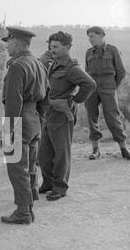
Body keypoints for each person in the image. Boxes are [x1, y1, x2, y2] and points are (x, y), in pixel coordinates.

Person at [39, 31, 96, 201]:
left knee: (61, 153)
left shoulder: (71, 68)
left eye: (56, 47)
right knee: (45, 153)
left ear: (67, 47)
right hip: (50, 113)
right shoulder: (54, 64)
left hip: (62, 115)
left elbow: (90, 84)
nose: (52, 49)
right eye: (51, 46)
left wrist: (73, 100)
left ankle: (59, 187)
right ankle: (48, 183)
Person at [0, 26, 49, 225]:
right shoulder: (38, 64)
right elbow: (46, 96)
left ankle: (23, 212)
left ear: (18, 42)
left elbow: (14, 102)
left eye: (8, 42)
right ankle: (30, 203)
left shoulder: (17, 66)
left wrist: (8, 130)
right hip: (34, 119)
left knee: (17, 169)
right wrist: (39, 120)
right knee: (29, 166)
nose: (6, 46)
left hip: (19, 120)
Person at [85, 26, 130, 160]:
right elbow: (86, 72)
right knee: (91, 117)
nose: (90, 39)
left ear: (102, 36)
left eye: (92, 36)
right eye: (89, 36)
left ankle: (124, 148)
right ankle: (95, 149)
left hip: (108, 88)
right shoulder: (88, 52)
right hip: (92, 88)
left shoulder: (112, 50)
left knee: (112, 117)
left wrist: (112, 87)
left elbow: (120, 72)